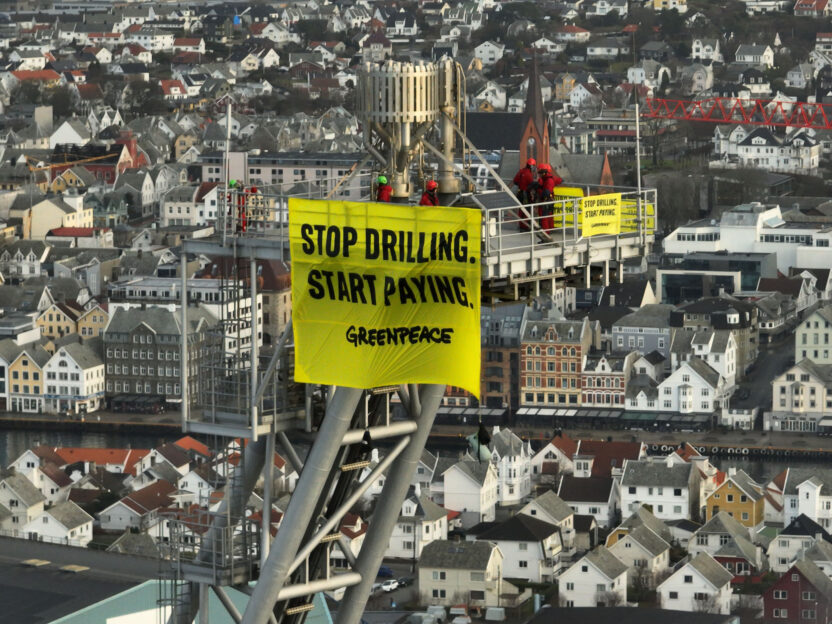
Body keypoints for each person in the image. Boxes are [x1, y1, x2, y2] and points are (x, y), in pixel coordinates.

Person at [537, 164, 563, 231]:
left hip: (546, 200)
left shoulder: (548, 180)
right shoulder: (549, 178)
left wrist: (539, 189)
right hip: (549, 199)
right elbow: (559, 180)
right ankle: (550, 229)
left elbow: (546, 192)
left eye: (540, 173)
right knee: (549, 215)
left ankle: (546, 231)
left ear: (544, 172)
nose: (539, 175)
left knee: (544, 216)